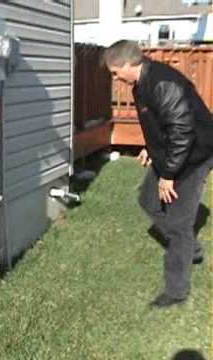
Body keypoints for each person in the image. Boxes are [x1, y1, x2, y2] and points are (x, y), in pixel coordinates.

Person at [102, 40, 213, 307]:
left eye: (116, 72)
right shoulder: (141, 84)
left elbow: (183, 132)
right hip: (174, 151)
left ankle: (176, 292)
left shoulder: (163, 83)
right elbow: (160, 124)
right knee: (149, 200)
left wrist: (168, 175)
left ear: (129, 64)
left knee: (178, 224)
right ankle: (192, 250)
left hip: (196, 154)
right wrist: (150, 149)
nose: (115, 77)